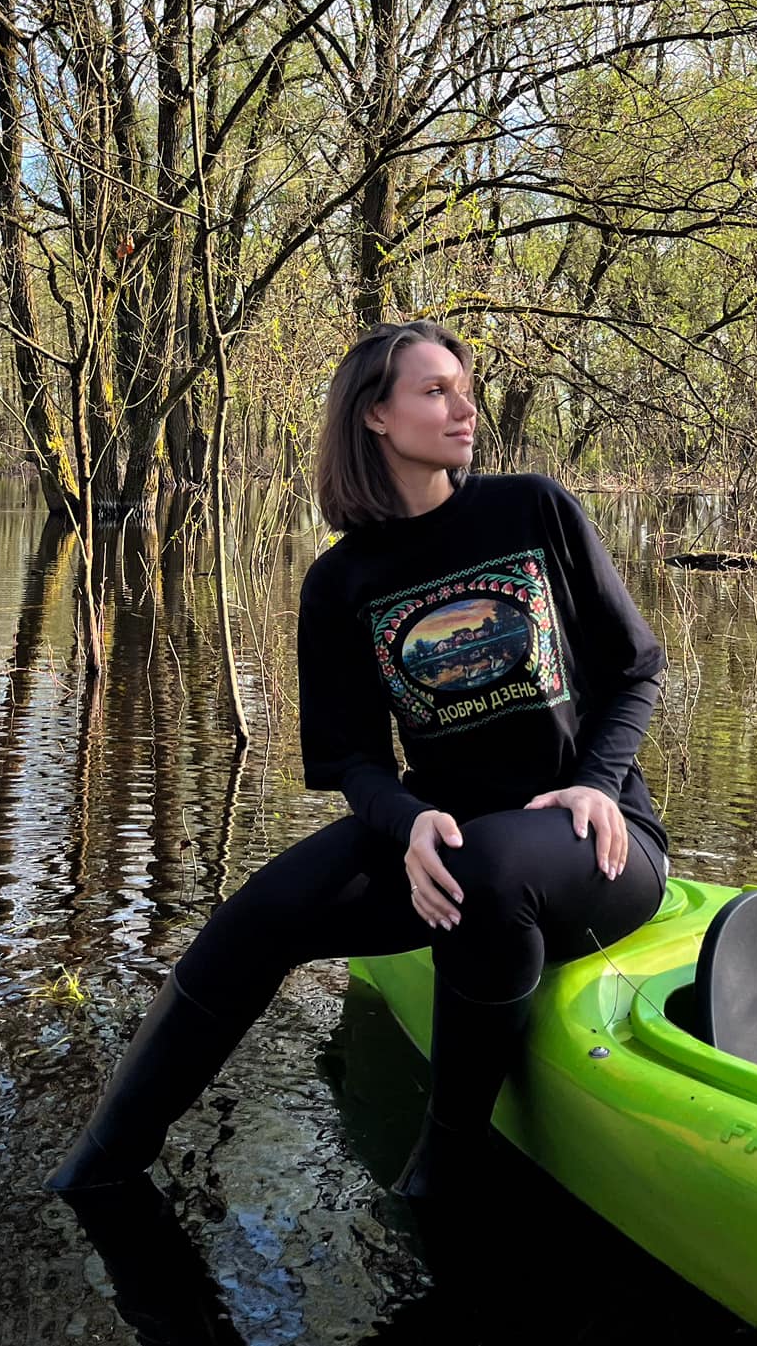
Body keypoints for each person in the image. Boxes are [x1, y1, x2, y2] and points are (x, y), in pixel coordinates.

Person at [47, 319, 670, 1197]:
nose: (464, 407)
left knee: (486, 867)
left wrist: (596, 784)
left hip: (597, 845)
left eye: (463, 386)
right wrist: (408, 820)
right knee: (257, 915)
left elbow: (636, 668)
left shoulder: (529, 508)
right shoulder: (340, 582)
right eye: (435, 391)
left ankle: (443, 1170)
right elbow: (350, 759)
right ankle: (99, 1170)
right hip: (442, 839)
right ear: (375, 416)